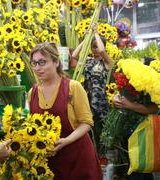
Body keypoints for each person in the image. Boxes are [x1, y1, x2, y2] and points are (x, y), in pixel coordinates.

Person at [28, 42, 102, 180]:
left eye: (42, 62)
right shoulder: (32, 93)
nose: (37, 68)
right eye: (34, 63)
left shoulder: (73, 87)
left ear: (56, 62)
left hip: (78, 157)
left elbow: (86, 123)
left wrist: (66, 141)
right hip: (51, 161)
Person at [72, 24, 113, 153]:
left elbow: (101, 51)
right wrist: (86, 39)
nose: (95, 49)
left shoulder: (107, 62)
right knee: (88, 132)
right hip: (87, 101)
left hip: (100, 102)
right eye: (92, 47)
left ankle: (103, 158)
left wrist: (95, 33)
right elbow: (74, 55)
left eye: (96, 46)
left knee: (101, 132)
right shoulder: (88, 61)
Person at [113, 93, 158, 180]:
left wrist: (129, 105)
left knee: (139, 168)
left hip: (146, 131)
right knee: (140, 169)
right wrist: (115, 98)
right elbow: (121, 91)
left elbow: (155, 108)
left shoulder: (157, 83)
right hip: (129, 131)